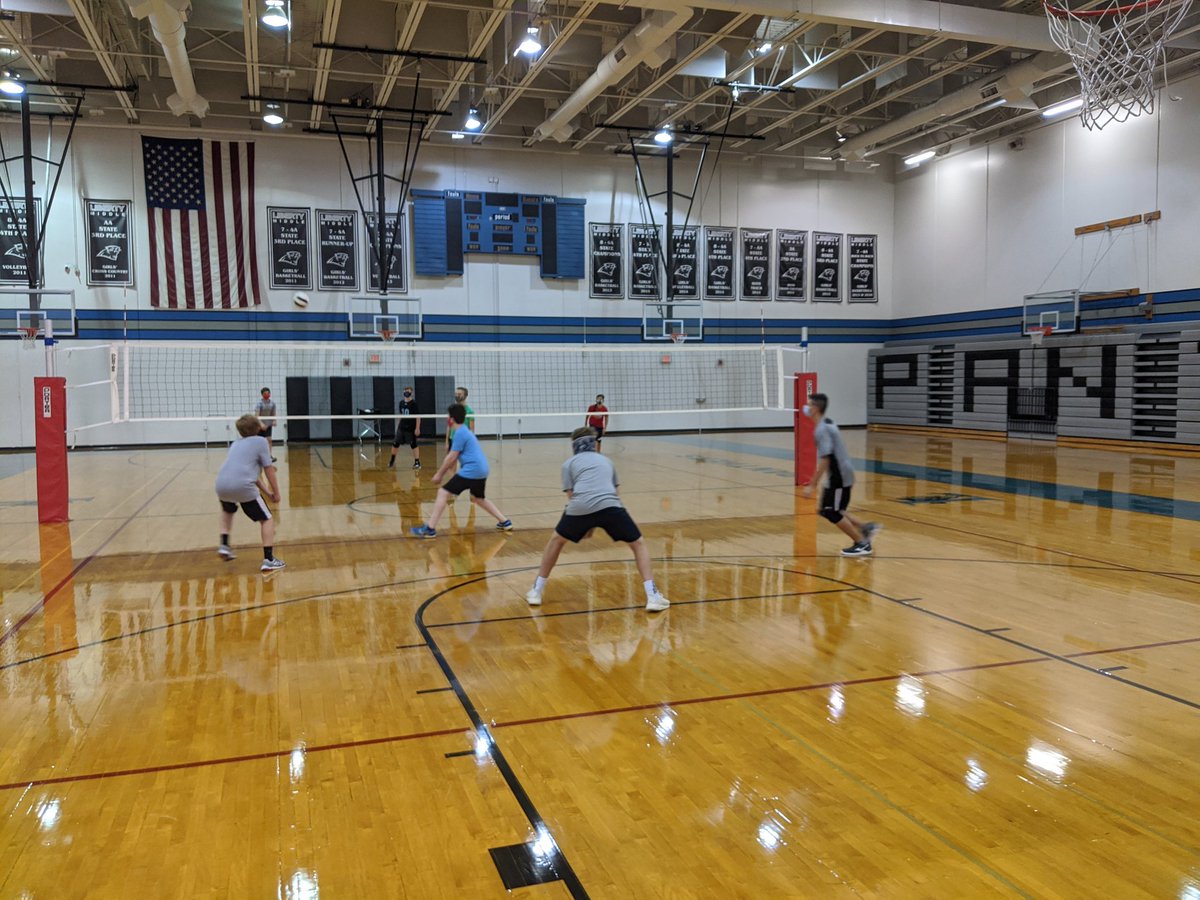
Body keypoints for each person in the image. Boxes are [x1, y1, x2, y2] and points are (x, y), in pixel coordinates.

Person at [525, 426, 669, 612]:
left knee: (556, 540)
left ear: (574, 446)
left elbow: (572, 495)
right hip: (610, 505)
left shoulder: (568, 464)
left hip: (580, 507)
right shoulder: (607, 461)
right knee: (638, 544)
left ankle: (536, 591)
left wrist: (588, 525)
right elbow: (615, 492)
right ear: (594, 444)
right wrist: (600, 521)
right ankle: (652, 596)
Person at [411, 403, 512, 538]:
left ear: (451, 419)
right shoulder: (465, 431)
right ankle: (505, 522)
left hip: (472, 470)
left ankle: (430, 529)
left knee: (442, 493)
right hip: (482, 470)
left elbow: (452, 457)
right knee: (479, 498)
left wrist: (439, 474)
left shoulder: (460, 433)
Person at [800, 393, 880, 557]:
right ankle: (866, 527)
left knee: (833, 512)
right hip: (838, 474)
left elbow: (825, 459)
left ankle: (862, 543)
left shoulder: (822, 429)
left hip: (839, 476)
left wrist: (812, 485)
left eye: (809, 405)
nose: (806, 408)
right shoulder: (826, 423)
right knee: (827, 510)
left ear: (815, 408)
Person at [216, 413, 285, 572]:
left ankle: (224, 545)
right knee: (267, 519)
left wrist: (268, 494)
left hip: (221, 484)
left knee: (228, 510)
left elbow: (252, 475)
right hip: (242, 485)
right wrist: (276, 492)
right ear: (257, 427)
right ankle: (268, 559)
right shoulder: (261, 442)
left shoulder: (235, 444)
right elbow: (268, 470)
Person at [389, 385, 421, 470]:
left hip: (411, 427)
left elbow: (418, 416)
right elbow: (400, 415)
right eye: (405, 391)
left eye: (408, 391)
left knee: (413, 444)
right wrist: (397, 426)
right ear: (403, 392)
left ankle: (417, 462)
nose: (407, 392)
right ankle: (392, 461)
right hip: (401, 427)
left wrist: (417, 428)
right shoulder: (401, 403)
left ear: (411, 393)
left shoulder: (414, 404)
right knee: (395, 443)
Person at [446, 386, 474, 450]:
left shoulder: (469, 411)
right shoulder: (452, 409)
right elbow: (449, 426)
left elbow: (472, 429)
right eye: (456, 394)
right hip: (452, 439)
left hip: (464, 439)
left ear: (465, 396)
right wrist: (447, 441)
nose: (457, 396)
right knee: (452, 459)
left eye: (459, 394)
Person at [255, 387, 278, 462]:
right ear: (262, 395)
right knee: (259, 441)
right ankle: (258, 457)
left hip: (268, 424)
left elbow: (273, 413)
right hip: (259, 424)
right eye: (265, 393)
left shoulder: (272, 403)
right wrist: (261, 424)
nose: (267, 395)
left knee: (269, 440)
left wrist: (274, 420)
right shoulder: (259, 404)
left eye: (268, 393)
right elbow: (256, 415)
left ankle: (269, 456)